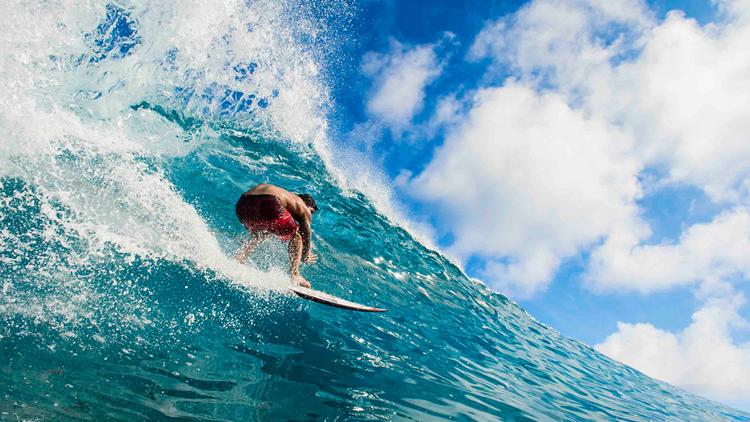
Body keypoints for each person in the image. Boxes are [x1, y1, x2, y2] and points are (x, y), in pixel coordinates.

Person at [234, 183, 318, 287]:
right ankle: (295, 275)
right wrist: (305, 256)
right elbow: (306, 232)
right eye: (311, 212)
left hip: (242, 205)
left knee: (263, 233)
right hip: (270, 202)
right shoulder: (302, 205)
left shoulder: (284, 193)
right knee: (296, 236)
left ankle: (239, 258)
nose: (310, 215)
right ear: (307, 205)